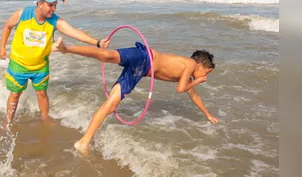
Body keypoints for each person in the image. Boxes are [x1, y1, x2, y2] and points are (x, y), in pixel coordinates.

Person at [51, 37, 220, 154]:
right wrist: (197, 82)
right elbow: (180, 89)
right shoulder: (190, 63)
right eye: (207, 72)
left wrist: (208, 115)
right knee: (107, 56)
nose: (206, 76)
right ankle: (67, 49)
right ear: (200, 65)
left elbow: (193, 95)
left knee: (111, 106)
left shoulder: (187, 75)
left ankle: (83, 142)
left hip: (139, 71)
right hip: (145, 56)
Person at [0, 0, 110, 128]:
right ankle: (8, 120)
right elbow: (7, 26)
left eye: (55, 5)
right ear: (40, 3)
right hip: (18, 64)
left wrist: (98, 42)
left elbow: (75, 32)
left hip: (41, 66)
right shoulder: (23, 14)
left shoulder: (54, 21)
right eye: (51, 5)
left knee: (42, 93)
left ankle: (45, 118)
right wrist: (2, 48)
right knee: (15, 94)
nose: (54, 9)